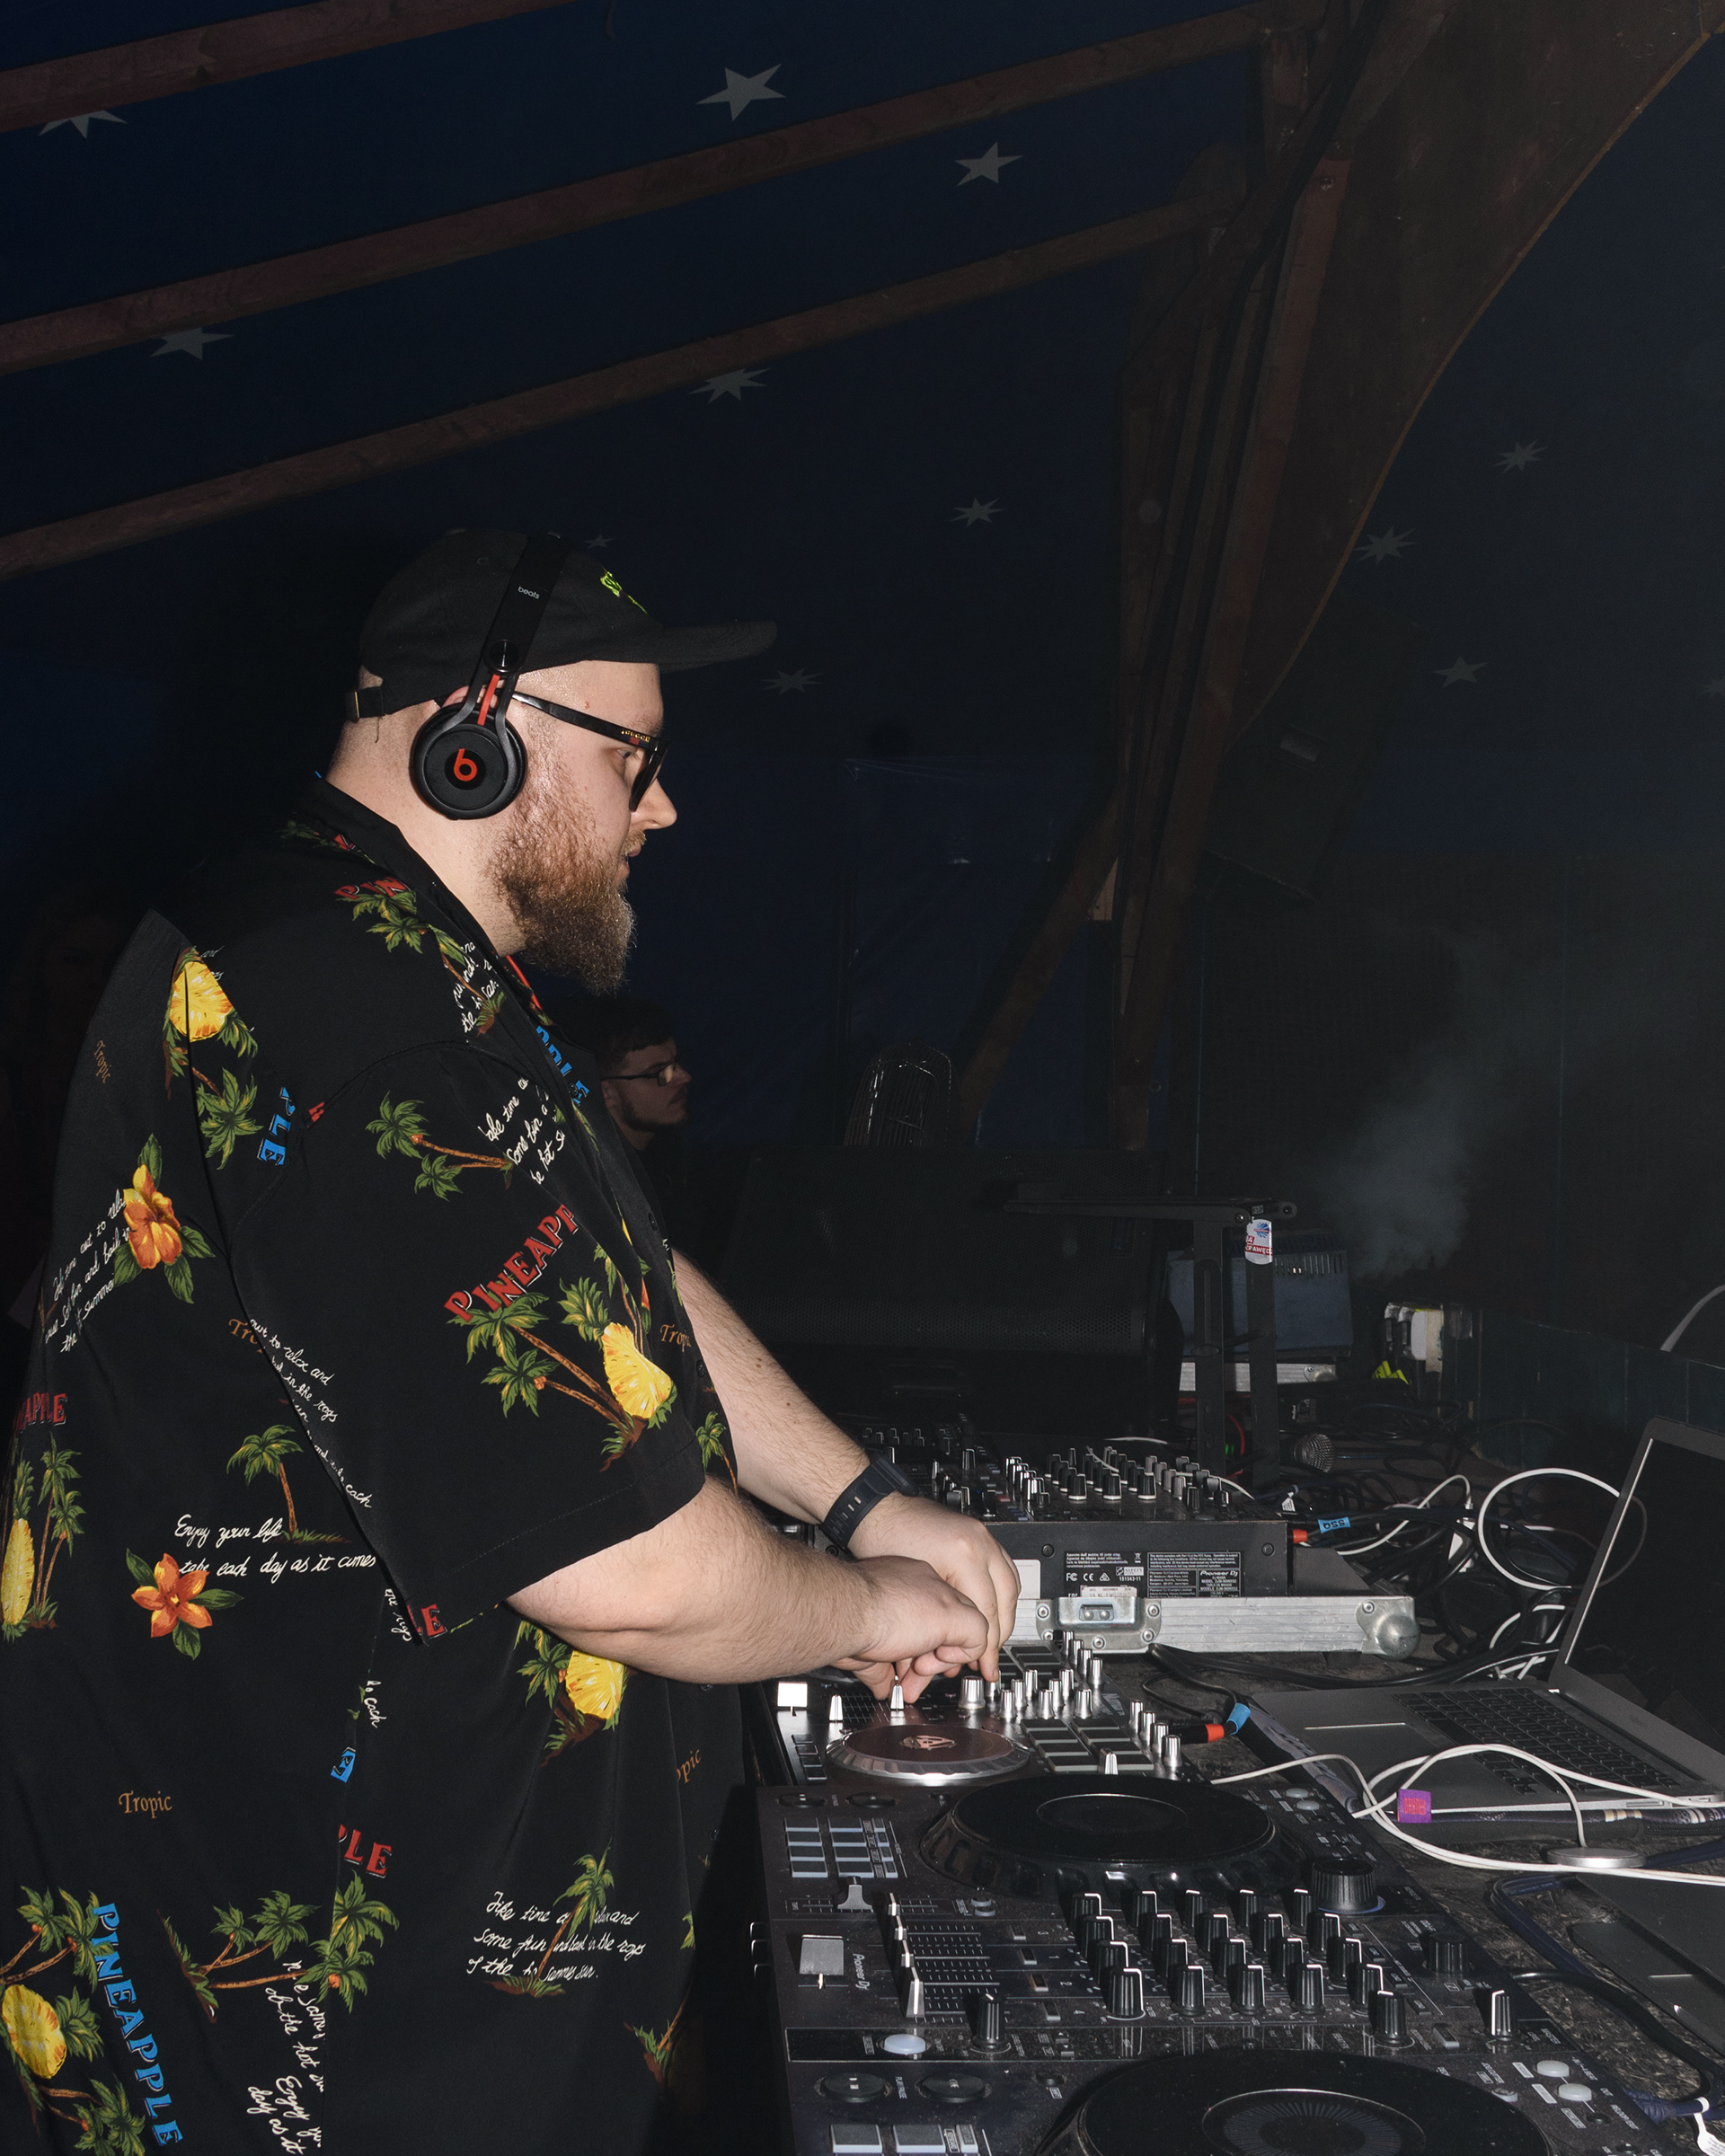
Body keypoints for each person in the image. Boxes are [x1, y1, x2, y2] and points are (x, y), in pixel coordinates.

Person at [0, 530, 1020, 2156]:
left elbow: (631, 1278)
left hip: (415, 1948)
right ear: (477, 739)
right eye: (637, 761)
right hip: (309, 1999)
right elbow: (621, 1566)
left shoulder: (392, 956)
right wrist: (867, 1609)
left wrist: (864, 1498)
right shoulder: (356, 1016)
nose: (662, 811)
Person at [552, 994, 694, 1241]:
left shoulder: (669, 1153)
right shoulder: (600, 1190)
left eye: (677, 1062)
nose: (685, 1077)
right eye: (661, 1073)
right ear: (605, 1093)